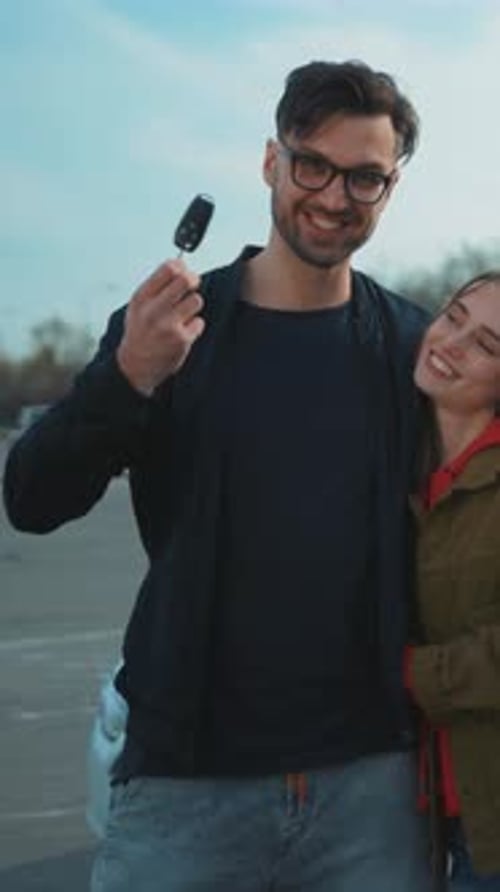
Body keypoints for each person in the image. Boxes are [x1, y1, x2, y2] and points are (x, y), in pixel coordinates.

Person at [3, 60, 433, 891]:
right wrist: (126, 374)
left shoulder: (409, 349)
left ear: (391, 189)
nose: (336, 196)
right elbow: (32, 500)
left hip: (374, 786)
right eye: (314, 164)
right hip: (186, 785)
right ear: (272, 161)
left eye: (366, 178)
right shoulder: (169, 331)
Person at [407, 271, 500, 890]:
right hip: (427, 814)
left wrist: (409, 674)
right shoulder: (397, 460)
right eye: (453, 315)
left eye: (487, 345)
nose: (451, 342)